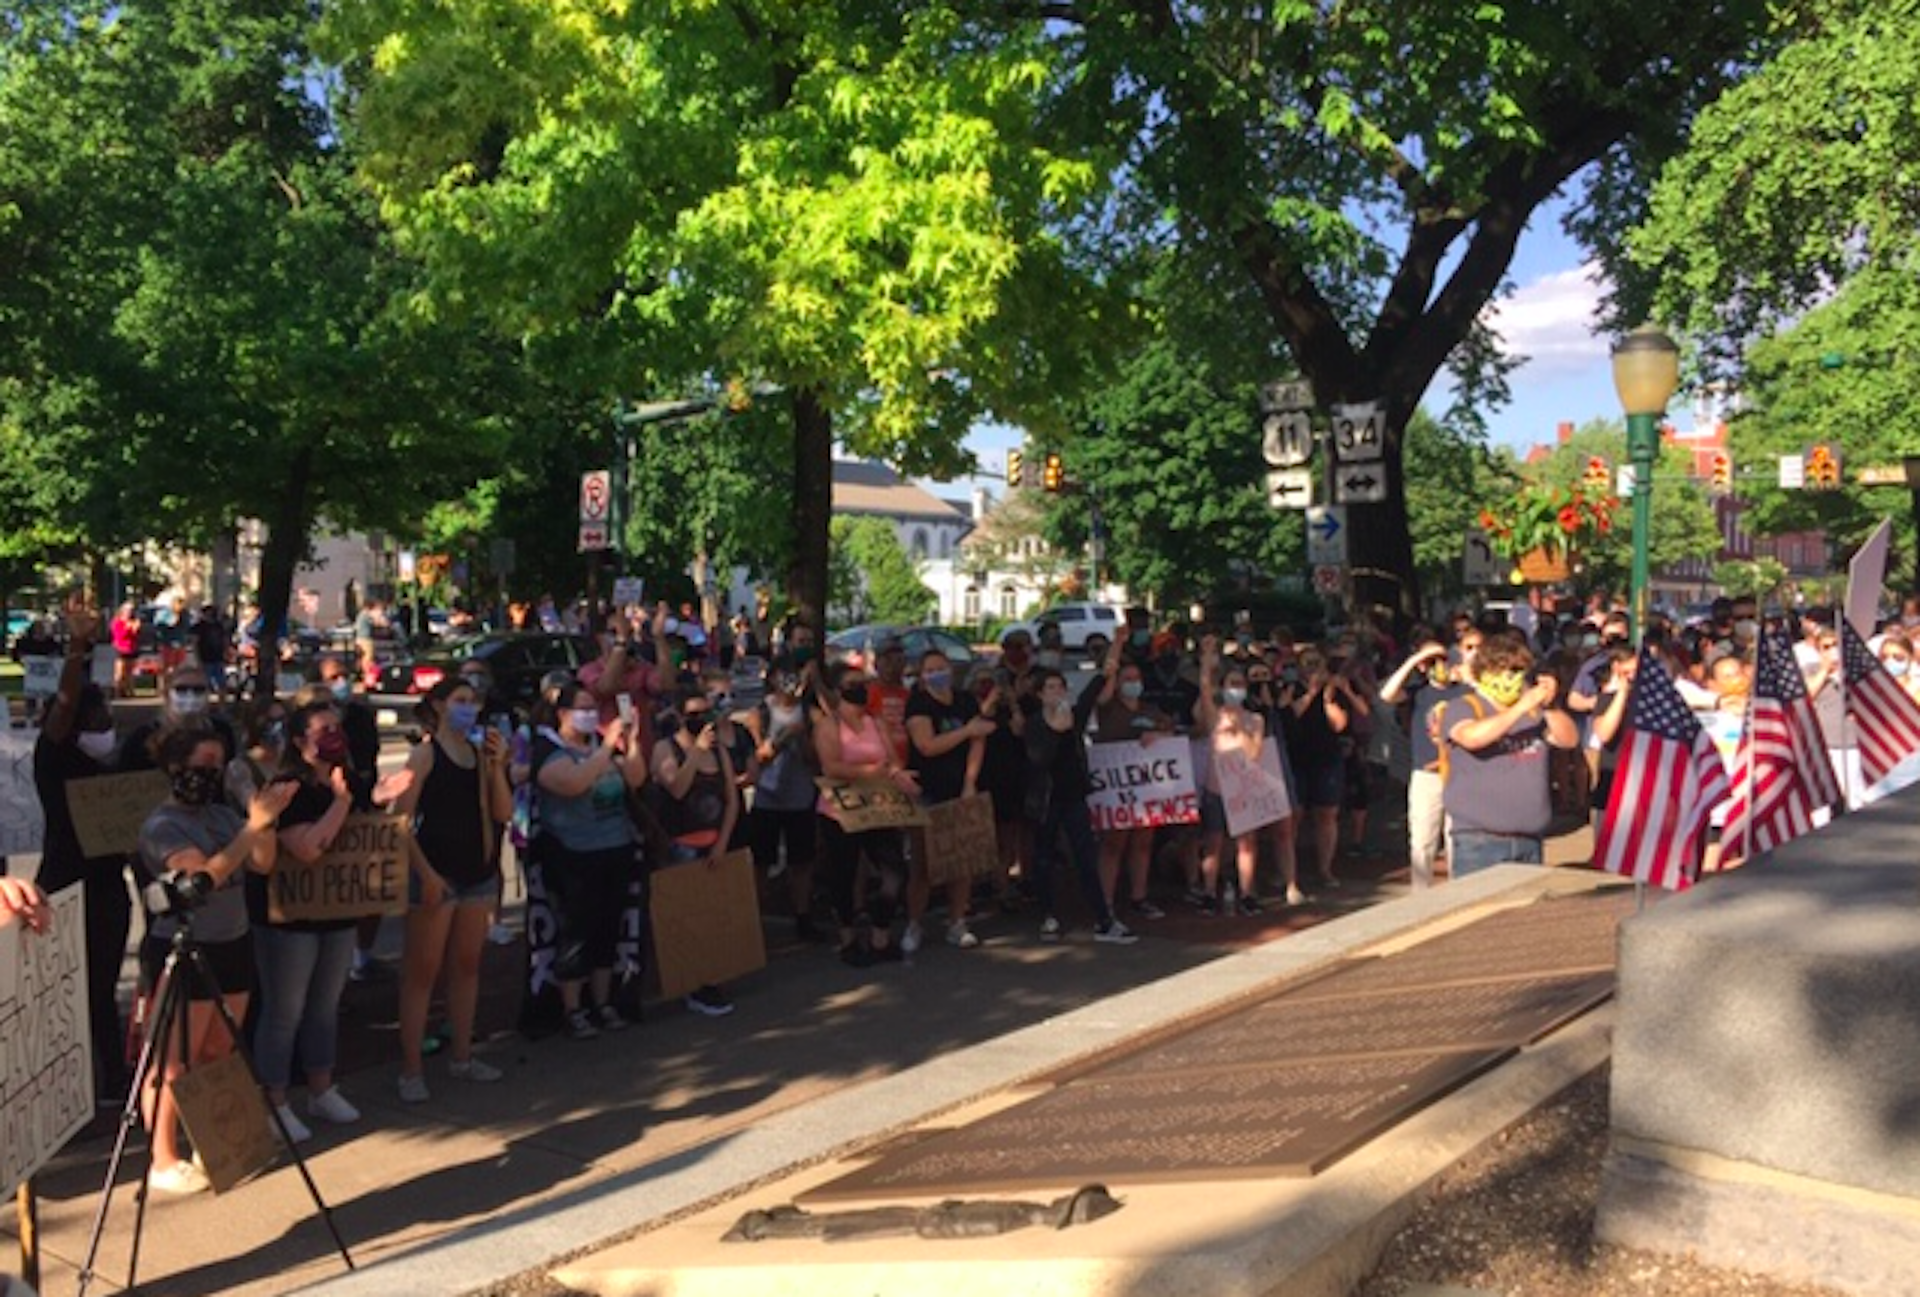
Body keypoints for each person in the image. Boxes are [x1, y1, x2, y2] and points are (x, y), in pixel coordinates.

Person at [136, 725, 294, 1194]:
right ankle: (162, 1158)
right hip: (185, 945)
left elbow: (263, 862)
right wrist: (251, 828)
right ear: (175, 767)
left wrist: (260, 818)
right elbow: (201, 877)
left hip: (232, 942)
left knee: (217, 1050)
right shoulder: (162, 826)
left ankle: (212, 1142)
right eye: (201, 765)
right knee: (173, 1060)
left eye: (217, 766)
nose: (209, 775)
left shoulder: (223, 817)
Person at [31, 599, 133, 1107]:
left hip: (109, 890)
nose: (103, 725)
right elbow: (66, 704)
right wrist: (77, 647)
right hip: (65, 884)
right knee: (64, 992)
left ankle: (111, 1078)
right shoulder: (55, 759)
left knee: (102, 989)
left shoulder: (113, 768)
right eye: (95, 718)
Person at [390, 678, 511, 1102]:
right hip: (437, 873)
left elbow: (503, 811)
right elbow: (400, 821)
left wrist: (497, 767)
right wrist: (426, 874)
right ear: (439, 706)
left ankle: (462, 1055)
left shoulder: (479, 755)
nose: (469, 708)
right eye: (460, 701)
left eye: (473, 701)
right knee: (422, 971)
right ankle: (411, 1069)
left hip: (476, 872)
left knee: (467, 966)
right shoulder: (424, 755)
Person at [251, 702, 365, 1142]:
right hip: (287, 920)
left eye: (338, 728)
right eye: (323, 729)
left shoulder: (346, 780)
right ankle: (275, 1102)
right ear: (300, 741)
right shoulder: (287, 788)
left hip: (335, 911)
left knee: (324, 1005)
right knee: (285, 1011)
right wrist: (340, 804)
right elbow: (307, 847)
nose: (334, 735)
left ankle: (322, 1087)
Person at [532, 680, 650, 1038]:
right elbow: (574, 784)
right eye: (581, 709)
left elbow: (636, 778)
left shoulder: (603, 747)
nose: (588, 716)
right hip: (575, 857)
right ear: (563, 714)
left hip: (615, 848)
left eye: (592, 710)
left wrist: (630, 744)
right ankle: (573, 1007)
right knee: (577, 932)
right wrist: (605, 749)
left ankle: (602, 1002)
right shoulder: (552, 754)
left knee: (607, 931)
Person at [1436, 631, 1579, 875]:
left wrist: (1549, 706)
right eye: (1503, 670)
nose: (1511, 677)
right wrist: (1520, 707)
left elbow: (1569, 740)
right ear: (1484, 673)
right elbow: (1472, 737)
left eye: (1518, 670)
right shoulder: (1464, 707)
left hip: (1530, 841)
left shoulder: (1535, 714)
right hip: (1480, 843)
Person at [813, 662, 917, 965]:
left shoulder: (876, 722)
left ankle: (880, 933)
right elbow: (831, 766)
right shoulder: (829, 725)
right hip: (840, 811)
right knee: (842, 874)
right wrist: (870, 771)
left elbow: (892, 761)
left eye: (863, 682)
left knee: (894, 871)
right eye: (852, 684)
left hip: (879, 807)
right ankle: (848, 937)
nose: (861, 688)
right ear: (838, 691)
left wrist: (901, 776)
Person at [1023, 667, 1134, 943]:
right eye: (1050, 688)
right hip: (1047, 801)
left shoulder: (1076, 716)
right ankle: (1048, 914)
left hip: (1073, 797)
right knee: (1044, 858)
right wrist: (1055, 731)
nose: (1057, 692)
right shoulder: (1035, 723)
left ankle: (1103, 919)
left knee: (1086, 856)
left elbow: (1094, 688)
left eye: (1060, 687)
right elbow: (1039, 760)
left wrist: (1116, 647)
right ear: (1039, 694)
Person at [651, 692, 740, 1016]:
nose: (700, 718)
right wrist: (696, 752)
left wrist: (722, 842)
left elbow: (732, 799)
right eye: (692, 713)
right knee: (689, 917)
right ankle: (694, 985)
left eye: (704, 712)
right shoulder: (666, 749)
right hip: (681, 845)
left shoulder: (720, 751)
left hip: (714, 842)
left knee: (714, 914)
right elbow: (676, 788)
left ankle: (712, 977)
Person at [1195, 636, 1300, 911]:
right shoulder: (1213, 715)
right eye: (1232, 684)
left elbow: (1254, 752)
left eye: (1240, 685)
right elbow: (1205, 688)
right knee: (1214, 842)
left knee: (1247, 842)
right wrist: (1207, 660)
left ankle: (1247, 893)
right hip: (1217, 786)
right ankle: (1207, 892)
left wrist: (1239, 729)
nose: (1236, 689)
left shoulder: (1255, 719)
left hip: (1243, 788)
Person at [903, 647, 994, 952]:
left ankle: (957, 921)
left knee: (962, 860)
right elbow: (926, 745)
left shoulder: (965, 701)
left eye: (941, 667)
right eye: (930, 670)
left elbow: (978, 739)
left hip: (960, 788)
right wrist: (966, 731)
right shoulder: (918, 704)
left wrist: (970, 781)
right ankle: (914, 923)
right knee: (923, 863)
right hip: (928, 790)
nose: (937, 674)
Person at [1090, 637, 1176, 921]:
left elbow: (1173, 733)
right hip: (1117, 790)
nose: (1132, 682)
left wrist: (1159, 736)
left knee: (1142, 842)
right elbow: (1104, 684)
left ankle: (1139, 897)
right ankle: (1105, 902)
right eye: (1127, 678)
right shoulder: (1107, 707)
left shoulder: (1149, 711)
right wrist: (1116, 644)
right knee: (1113, 844)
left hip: (1145, 789)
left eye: (1136, 678)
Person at [1378, 633, 1467, 891]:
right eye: (1432, 661)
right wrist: (1415, 660)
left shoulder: (1463, 691)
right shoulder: (1417, 692)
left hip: (1458, 771)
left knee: (1456, 837)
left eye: (1442, 660)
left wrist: (1463, 672)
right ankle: (1420, 893)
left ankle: (1457, 890)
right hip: (1425, 773)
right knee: (1422, 839)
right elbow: (1386, 694)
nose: (1438, 665)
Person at [747, 667, 822, 940]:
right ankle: (755, 921)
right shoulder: (760, 712)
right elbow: (757, 759)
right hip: (767, 799)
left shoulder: (810, 714)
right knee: (761, 863)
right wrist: (780, 739)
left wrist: (802, 738)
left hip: (800, 799)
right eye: (783, 676)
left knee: (801, 862)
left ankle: (803, 917)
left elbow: (817, 757)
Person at [109, 601, 141, 697]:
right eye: (127, 610)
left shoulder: (134, 621)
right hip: (121, 648)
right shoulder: (117, 622)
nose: (129, 612)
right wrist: (127, 628)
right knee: (120, 672)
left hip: (132, 648)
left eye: (131, 610)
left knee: (130, 672)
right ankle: (117, 691)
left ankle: (129, 690)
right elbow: (119, 636)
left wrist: (136, 629)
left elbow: (136, 636)